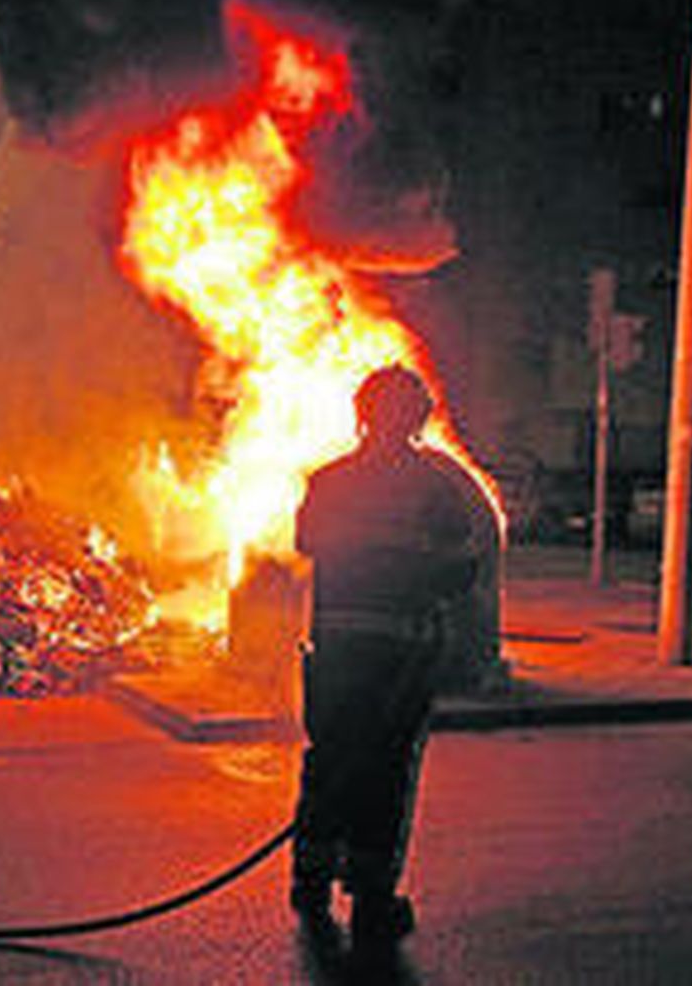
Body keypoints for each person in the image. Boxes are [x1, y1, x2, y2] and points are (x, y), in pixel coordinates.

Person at [289, 365, 481, 953]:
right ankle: (372, 901)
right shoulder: (435, 490)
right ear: (418, 417)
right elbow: (462, 569)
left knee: (328, 760)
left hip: (335, 652)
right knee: (386, 772)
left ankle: (310, 881)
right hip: (400, 658)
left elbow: (305, 542)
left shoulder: (328, 481)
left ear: (362, 413)